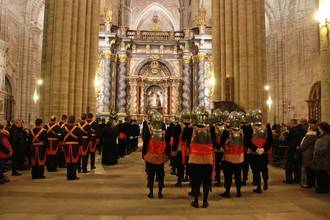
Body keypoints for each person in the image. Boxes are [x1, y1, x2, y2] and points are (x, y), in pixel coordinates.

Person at [188, 107, 213, 208]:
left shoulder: (191, 129)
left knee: (195, 180)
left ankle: (196, 201)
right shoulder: (210, 129)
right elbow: (215, 143)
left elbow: (185, 139)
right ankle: (205, 202)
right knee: (206, 181)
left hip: (195, 159)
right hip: (207, 159)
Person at [142, 110, 170, 199]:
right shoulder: (164, 132)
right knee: (161, 176)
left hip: (150, 156)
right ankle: (160, 193)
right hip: (160, 157)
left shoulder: (150, 132)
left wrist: (143, 154)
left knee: (150, 176)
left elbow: (145, 143)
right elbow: (167, 144)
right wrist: (167, 154)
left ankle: (151, 193)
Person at [220, 111, 245, 198]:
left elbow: (222, 142)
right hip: (239, 157)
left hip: (229, 158)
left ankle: (227, 192)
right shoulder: (241, 131)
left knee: (228, 176)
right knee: (238, 176)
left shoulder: (227, 132)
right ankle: (238, 192)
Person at [247, 110, 273, 193]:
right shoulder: (266, 126)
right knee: (264, 169)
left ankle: (259, 187)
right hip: (262, 152)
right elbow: (270, 140)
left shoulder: (250, 127)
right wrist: (264, 149)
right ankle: (265, 184)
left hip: (255, 152)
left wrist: (257, 149)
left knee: (257, 170)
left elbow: (248, 141)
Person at [297, 120, 318, 188]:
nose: (307, 128)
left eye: (309, 126)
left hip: (307, 153)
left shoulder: (310, 136)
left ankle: (307, 183)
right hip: (308, 153)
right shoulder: (311, 135)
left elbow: (305, 145)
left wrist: (299, 148)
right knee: (308, 169)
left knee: (307, 169)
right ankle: (308, 182)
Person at [61, 116, 83, 180]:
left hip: (66, 146)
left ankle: (68, 175)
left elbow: (61, 138)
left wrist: (62, 146)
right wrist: (81, 146)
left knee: (68, 162)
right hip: (75, 147)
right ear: (74, 121)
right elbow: (80, 139)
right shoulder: (77, 129)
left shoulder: (64, 128)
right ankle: (73, 176)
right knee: (74, 162)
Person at [210, 109, 227, 187]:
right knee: (222, 165)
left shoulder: (214, 127)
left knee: (217, 165)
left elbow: (213, 138)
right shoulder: (225, 127)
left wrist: (217, 146)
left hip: (217, 149)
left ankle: (219, 179)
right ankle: (220, 179)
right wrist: (221, 145)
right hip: (223, 148)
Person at [312, 122, 330, 194]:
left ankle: (324, 188)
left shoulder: (327, 137)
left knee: (323, 174)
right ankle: (320, 186)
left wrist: (317, 151)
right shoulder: (320, 136)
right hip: (318, 157)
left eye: (319, 128)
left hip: (323, 158)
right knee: (318, 173)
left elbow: (325, 148)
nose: (318, 129)